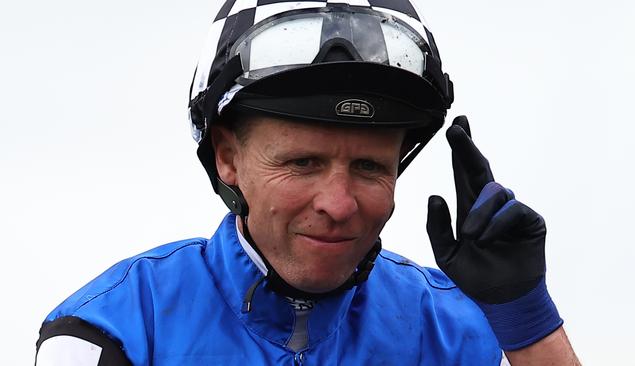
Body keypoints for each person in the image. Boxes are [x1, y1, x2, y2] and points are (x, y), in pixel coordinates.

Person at [35, 1, 580, 365]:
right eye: (302, 163)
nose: (339, 205)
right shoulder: (115, 328)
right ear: (227, 157)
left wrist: (526, 322)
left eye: (370, 167)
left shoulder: (455, 330)